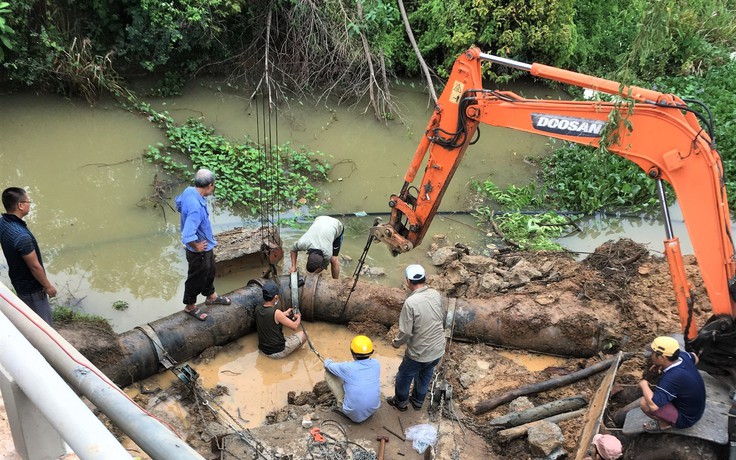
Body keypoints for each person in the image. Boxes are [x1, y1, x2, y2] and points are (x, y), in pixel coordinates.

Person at [387, 264, 446, 411]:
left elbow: (405, 333)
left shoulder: (410, 303)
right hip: (438, 349)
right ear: (424, 279)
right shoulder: (435, 294)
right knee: (425, 375)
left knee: (403, 377)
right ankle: (418, 402)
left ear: (408, 281)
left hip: (419, 353)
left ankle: (400, 403)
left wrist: (396, 343)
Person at [175, 169, 231, 321]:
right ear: (210, 185)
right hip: (198, 250)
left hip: (207, 245)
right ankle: (190, 306)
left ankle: (211, 296)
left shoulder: (189, 191)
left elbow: (178, 204)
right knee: (196, 277)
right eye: (213, 186)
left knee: (210, 269)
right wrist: (196, 245)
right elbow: (187, 235)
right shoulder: (195, 208)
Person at [0, 188, 57, 325]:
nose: (29, 204)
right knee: (44, 325)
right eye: (28, 201)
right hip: (32, 288)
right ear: (20, 205)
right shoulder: (22, 236)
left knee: (29, 316)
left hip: (18, 281)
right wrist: (48, 287)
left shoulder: (3, 223)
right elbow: (34, 267)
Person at [638, 335, 706, 431]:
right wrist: (662, 366)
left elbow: (653, 406)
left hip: (687, 419)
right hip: (695, 409)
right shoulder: (682, 357)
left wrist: (644, 384)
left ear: (662, 357)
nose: (651, 355)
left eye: (653, 353)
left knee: (645, 403)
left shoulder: (672, 377)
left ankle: (665, 424)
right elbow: (695, 357)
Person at [323, 335, 381, 423]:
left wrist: (327, 360)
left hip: (353, 414)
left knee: (329, 373)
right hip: (373, 408)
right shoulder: (376, 364)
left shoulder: (347, 367)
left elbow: (327, 365)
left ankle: (341, 404)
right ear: (372, 352)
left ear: (352, 353)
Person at [254, 280, 306, 358]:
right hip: (277, 352)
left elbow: (270, 317)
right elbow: (294, 326)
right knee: (305, 334)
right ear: (276, 297)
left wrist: (284, 313)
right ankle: (293, 353)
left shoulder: (258, 308)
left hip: (263, 350)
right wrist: (299, 316)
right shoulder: (277, 313)